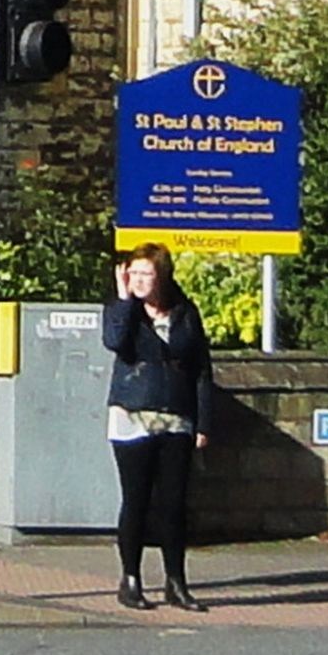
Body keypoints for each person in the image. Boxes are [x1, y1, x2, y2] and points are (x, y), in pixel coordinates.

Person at [104, 241, 211, 611]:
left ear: (162, 276)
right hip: (132, 415)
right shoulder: (124, 311)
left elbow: (201, 370)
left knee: (173, 505)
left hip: (175, 416)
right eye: (133, 273)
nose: (138, 280)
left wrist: (202, 421)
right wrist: (124, 301)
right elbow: (114, 341)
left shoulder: (185, 313)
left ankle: (176, 582)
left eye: (145, 274)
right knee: (136, 501)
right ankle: (130, 580)